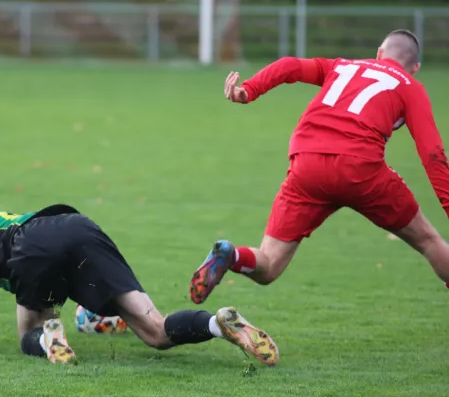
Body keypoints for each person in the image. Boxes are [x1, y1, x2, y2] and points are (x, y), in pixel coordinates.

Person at [190, 29, 449, 304]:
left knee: (269, 264)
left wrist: (249, 90)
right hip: (360, 169)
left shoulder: (342, 66)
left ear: (379, 54)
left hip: (307, 162)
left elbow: (289, 65)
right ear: (416, 68)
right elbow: (433, 154)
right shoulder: (410, 86)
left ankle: (232, 255)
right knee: (428, 241)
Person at [0, 201, 279, 366]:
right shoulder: (2, 221)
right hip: (78, 227)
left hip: (35, 246)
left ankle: (50, 337)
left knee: (30, 334)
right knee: (155, 332)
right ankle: (216, 323)